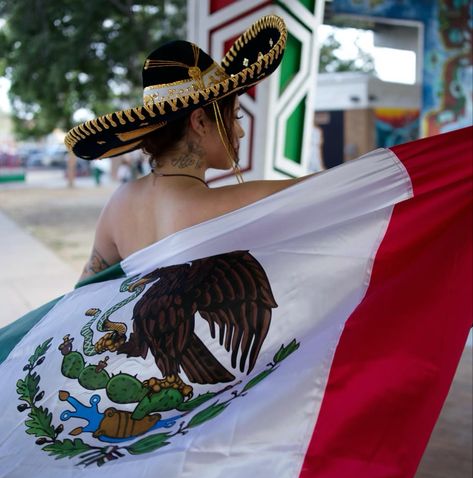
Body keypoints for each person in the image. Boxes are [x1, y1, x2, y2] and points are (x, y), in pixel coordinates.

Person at [66, 16, 308, 282]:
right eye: (235, 117)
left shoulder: (119, 203)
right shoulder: (231, 206)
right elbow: (337, 190)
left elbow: (82, 293)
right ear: (200, 121)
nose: (240, 131)